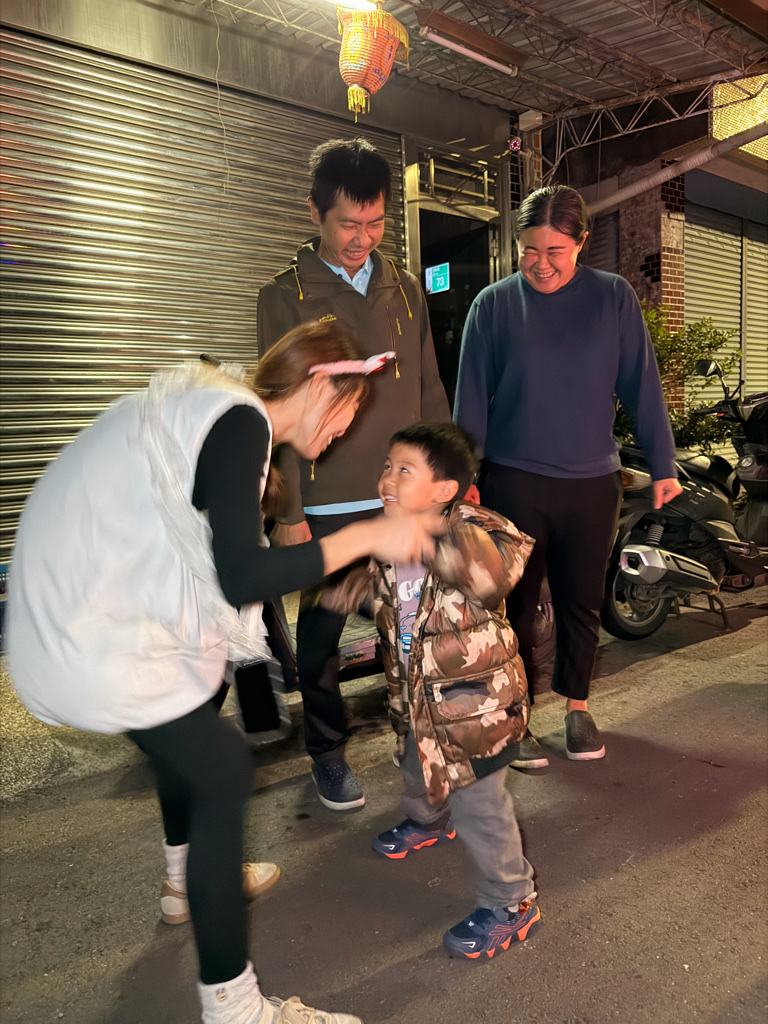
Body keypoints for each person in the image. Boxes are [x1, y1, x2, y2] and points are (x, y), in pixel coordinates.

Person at [7, 322, 444, 1024]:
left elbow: (201, 556)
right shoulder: (240, 421)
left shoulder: (221, 410)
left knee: (197, 707)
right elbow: (242, 575)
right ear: (323, 386)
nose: (345, 431)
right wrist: (368, 537)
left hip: (75, 612)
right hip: (85, 628)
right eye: (350, 411)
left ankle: (185, 880)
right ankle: (236, 1008)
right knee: (221, 771)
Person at [454, 184, 683, 768]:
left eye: (555, 251)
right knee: (515, 609)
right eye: (529, 250)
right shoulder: (493, 306)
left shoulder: (612, 297)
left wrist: (662, 463)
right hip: (514, 482)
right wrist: (462, 476)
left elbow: (641, 382)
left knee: (582, 601)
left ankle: (577, 708)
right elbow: (471, 398)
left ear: (581, 242)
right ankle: (517, 717)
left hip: (591, 483)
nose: (541, 264)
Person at [258, 137, 449, 811]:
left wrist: (444, 476)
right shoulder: (284, 297)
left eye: (375, 223)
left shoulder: (404, 288)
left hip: (401, 498)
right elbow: (275, 409)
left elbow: (428, 386)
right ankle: (327, 751)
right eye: (348, 224)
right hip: (328, 504)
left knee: (413, 626)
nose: (362, 239)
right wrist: (288, 513)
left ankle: (418, 736)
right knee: (322, 640)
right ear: (316, 212)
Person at [322, 422, 541, 959]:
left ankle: (511, 902)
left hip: (476, 710)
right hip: (414, 698)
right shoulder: (386, 537)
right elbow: (371, 596)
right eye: (387, 466)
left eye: (404, 469)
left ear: (444, 489)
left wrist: (422, 536)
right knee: (413, 763)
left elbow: (489, 577)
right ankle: (428, 821)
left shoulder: (476, 531)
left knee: (480, 807)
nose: (387, 478)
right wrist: (327, 582)